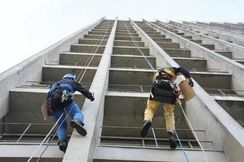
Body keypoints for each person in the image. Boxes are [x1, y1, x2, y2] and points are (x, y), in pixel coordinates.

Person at [140, 66, 194, 149]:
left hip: (157, 88)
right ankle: (171, 135)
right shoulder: (174, 70)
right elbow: (183, 70)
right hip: (169, 91)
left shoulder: (159, 72)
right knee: (169, 113)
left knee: (150, 108)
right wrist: (189, 79)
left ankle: (147, 121)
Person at [46, 73, 94, 152]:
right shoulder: (72, 82)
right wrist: (91, 97)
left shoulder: (56, 84)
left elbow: (49, 95)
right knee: (77, 113)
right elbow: (84, 90)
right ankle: (77, 121)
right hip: (66, 99)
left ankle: (62, 142)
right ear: (72, 78)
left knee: (61, 125)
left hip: (53, 104)